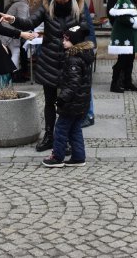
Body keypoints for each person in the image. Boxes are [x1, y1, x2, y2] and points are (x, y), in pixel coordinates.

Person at [1, 0, 89, 152]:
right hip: (49, 59)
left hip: (69, 60)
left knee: (68, 102)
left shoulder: (78, 8)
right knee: (50, 101)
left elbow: (85, 28)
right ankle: (49, 135)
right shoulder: (47, 4)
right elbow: (30, 22)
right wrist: (14, 20)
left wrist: (75, 37)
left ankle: (68, 139)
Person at [42, 25, 94, 168]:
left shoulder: (74, 60)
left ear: (75, 42)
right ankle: (78, 157)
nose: (63, 42)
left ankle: (57, 157)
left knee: (60, 129)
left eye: (66, 39)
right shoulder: (84, 56)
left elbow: (73, 83)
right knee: (75, 129)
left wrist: (62, 98)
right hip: (81, 102)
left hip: (72, 103)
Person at [108, 0, 137, 93]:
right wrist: (136, 21)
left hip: (129, 35)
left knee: (129, 60)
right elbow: (122, 17)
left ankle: (127, 83)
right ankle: (114, 84)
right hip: (124, 36)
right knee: (123, 60)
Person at [0, 0, 41, 83]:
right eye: (35, 1)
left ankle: (13, 74)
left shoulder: (19, 3)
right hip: (10, 32)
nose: (35, 4)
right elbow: (22, 23)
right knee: (15, 52)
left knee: (14, 52)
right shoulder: (23, 5)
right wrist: (31, 33)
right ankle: (13, 75)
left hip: (7, 31)